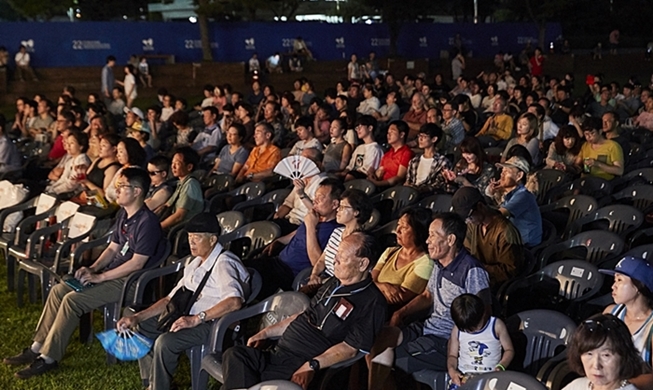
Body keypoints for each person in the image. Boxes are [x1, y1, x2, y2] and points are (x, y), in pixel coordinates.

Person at [3, 168, 166, 379]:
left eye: (121, 186)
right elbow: (112, 249)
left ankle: (48, 358)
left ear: (136, 191)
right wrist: (94, 268)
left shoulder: (148, 223)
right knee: (59, 290)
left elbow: (136, 264)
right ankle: (37, 346)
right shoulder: (124, 215)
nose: (116, 190)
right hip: (112, 274)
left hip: (130, 282)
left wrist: (100, 277)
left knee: (73, 301)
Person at [222, 232, 386, 390]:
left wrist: (311, 366)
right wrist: (265, 333)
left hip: (301, 362)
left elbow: (351, 349)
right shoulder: (334, 283)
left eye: (342, 257)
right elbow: (304, 316)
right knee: (235, 355)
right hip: (278, 353)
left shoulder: (372, 302)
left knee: (238, 380)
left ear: (363, 263)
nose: (334, 260)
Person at [116, 213, 250, 390]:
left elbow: (234, 302)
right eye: (189, 237)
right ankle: (153, 382)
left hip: (214, 324)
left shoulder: (224, 263)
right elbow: (169, 299)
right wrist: (137, 318)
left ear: (212, 240)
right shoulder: (195, 263)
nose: (191, 242)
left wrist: (196, 319)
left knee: (166, 343)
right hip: (186, 314)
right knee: (141, 328)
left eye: (197, 237)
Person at [367, 212, 491, 389]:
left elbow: (484, 314)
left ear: (450, 240)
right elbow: (427, 296)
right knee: (378, 341)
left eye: (433, 235)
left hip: (445, 340)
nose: (427, 241)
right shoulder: (440, 263)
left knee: (393, 357)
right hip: (427, 327)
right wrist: (399, 313)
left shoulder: (471, 270)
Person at [247, 178, 343, 298]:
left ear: (334, 204)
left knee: (243, 276)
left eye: (321, 197)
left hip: (288, 274)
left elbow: (317, 262)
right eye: (315, 196)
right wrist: (279, 240)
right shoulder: (315, 216)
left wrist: (310, 227)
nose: (315, 200)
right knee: (239, 268)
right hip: (276, 261)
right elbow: (297, 233)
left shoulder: (335, 230)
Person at [452, 187, 523, 288]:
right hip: (477, 276)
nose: (468, 221)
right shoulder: (474, 225)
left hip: (497, 284)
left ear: (480, 206)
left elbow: (511, 271)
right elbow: (466, 251)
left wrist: (478, 268)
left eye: (469, 216)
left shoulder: (505, 232)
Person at [372, 207, 434, 312]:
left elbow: (400, 297)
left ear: (418, 232)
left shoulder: (426, 263)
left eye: (404, 227)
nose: (398, 231)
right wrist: (384, 286)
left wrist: (373, 286)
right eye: (398, 225)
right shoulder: (389, 252)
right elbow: (369, 280)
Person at [307, 189, 373, 286]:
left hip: (337, 284)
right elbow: (321, 261)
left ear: (356, 212)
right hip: (322, 279)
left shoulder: (361, 242)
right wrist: (314, 275)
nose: (337, 210)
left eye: (342, 207)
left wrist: (322, 282)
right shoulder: (337, 232)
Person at [447, 294, 514, 388]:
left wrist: (501, 366)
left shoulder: (496, 326)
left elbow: (509, 350)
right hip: (464, 376)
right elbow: (452, 355)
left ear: (484, 313)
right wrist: (452, 370)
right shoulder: (457, 330)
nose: (473, 331)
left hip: (490, 377)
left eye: (475, 326)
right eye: (468, 330)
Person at [564, 314, 643, 390]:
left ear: (624, 357)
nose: (596, 365)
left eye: (606, 355)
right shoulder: (577, 386)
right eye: (589, 354)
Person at [601, 256, 653, 368]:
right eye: (614, 280)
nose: (613, 286)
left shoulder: (650, 327)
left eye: (619, 280)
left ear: (637, 286)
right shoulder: (610, 312)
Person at [486, 156, 542, 248]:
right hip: (514, 240)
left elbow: (501, 214)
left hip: (526, 247)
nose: (501, 175)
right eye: (502, 171)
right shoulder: (509, 194)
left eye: (507, 171)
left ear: (519, 176)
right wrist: (493, 192)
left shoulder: (523, 196)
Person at [159, 147, 204, 231]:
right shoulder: (181, 183)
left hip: (182, 230)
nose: (173, 166)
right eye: (172, 163)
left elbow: (179, 216)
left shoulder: (190, 185)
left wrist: (157, 227)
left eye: (177, 163)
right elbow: (166, 206)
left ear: (189, 167)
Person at [405, 123, 452, 194]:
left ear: (434, 139)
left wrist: (419, 189)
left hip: (430, 196)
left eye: (424, 136)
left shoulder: (442, 161)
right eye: (419, 135)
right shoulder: (414, 161)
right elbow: (408, 180)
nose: (420, 139)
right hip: (412, 194)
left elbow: (440, 184)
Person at [367, 120, 414, 190]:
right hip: (380, 186)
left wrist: (378, 183)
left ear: (401, 135)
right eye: (388, 132)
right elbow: (380, 172)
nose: (388, 135)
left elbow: (399, 177)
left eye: (392, 132)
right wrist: (373, 175)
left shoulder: (406, 153)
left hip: (394, 189)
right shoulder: (387, 154)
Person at [45, 130, 91, 196]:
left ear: (81, 146)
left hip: (75, 194)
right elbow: (63, 179)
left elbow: (71, 185)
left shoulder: (82, 161)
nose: (68, 146)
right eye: (68, 143)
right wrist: (51, 188)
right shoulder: (71, 160)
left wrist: (54, 191)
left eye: (72, 143)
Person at [344, 115, 384, 181]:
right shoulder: (359, 148)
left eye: (360, 127)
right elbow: (350, 166)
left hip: (363, 178)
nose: (358, 130)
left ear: (370, 128)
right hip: (352, 174)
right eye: (356, 128)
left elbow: (369, 170)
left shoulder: (375, 149)